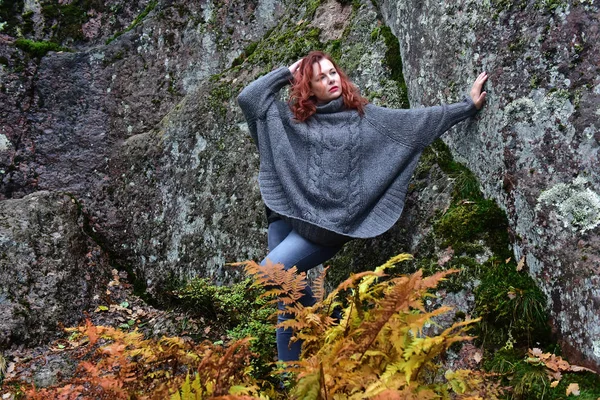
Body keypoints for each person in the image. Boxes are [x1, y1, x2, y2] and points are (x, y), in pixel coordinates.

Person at [237, 51, 488, 362]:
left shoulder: (366, 118)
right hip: (285, 214)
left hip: (325, 226)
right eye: (320, 78)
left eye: (332, 73)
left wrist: (466, 106)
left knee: (271, 275)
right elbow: (249, 98)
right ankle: (296, 381)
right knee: (286, 302)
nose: (330, 80)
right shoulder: (290, 118)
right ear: (307, 87)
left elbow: (418, 124)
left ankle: (318, 331)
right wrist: (287, 73)